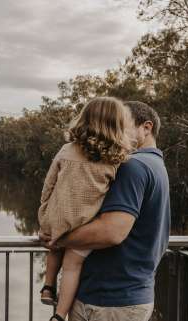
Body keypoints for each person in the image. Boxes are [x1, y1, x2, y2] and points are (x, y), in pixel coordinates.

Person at [41, 101, 170, 321]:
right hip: (130, 294)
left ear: (146, 128)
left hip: (109, 301)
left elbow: (112, 232)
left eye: (123, 124)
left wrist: (59, 238)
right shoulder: (156, 165)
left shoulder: (132, 166)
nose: (117, 131)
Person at [38, 97, 134, 321]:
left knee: (54, 247)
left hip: (57, 216)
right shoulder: (117, 159)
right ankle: (60, 315)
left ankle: (48, 286)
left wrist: (44, 212)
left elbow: (49, 183)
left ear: (84, 119)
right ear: (116, 124)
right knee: (72, 265)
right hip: (85, 224)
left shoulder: (66, 150)